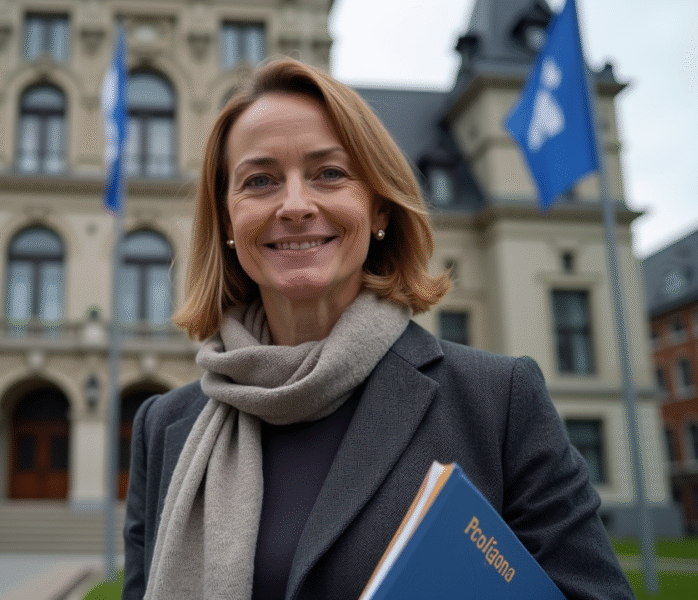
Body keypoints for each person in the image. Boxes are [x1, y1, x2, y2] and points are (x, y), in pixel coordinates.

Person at [122, 57, 633, 600]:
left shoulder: (498, 402)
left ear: (380, 209)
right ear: (227, 222)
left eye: (329, 173)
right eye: (260, 180)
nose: (295, 205)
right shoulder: (164, 426)